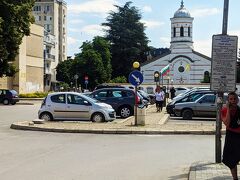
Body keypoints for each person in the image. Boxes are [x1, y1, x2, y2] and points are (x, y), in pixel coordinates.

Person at [221, 92, 240, 180]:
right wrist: (228, 109)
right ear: (228, 101)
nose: (233, 101)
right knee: (231, 159)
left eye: (235, 99)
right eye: (231, 99)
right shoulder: (224, 110)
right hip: (231, 136)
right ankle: (235, 178)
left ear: (238, 100)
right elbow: (227, 123)